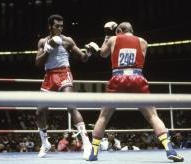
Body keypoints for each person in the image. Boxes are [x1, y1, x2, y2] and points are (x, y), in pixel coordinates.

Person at [86, 21, 184, 162]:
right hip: (137, 78)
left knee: (103, 117)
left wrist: (107, 37)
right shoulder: (143, 42)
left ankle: (93, 153)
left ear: (119, 30)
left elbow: (102, 54)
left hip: (118, 78)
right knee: (152, 116)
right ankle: (170, 149)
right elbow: (139, 60)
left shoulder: (114, 39)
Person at [35, 14, 93, 159]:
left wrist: (90, 52)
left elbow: (82, 58)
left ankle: (87, 143)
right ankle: (45, 143)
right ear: (50, 26)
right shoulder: (43, 41)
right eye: (57, 26)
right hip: (49, 76)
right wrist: (48, 49)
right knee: (40, 111)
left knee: (71, 105)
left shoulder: (67, 40)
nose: (60, 28)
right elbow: (37, 63)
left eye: (61, 26)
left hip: (64, 73)